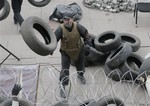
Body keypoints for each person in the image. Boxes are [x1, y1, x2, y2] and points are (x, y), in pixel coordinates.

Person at [54, 14, 93, 98]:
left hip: (79, 50)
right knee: (64, 70)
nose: (67, 21)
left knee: (80, 64)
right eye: (65, 20)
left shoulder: (78, 26)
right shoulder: (60, 29)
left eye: (68, 19)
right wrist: (50, 48)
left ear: (72, 19)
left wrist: (87, 46)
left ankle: (80, 75)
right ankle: (62, 86)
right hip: (66, 52)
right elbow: (54, 40)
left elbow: (87, 36)